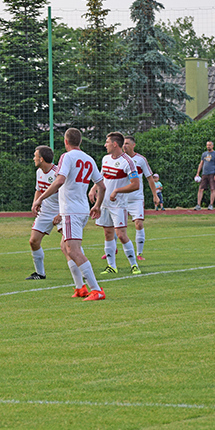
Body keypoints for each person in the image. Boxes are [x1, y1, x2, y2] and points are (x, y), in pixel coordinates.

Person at [31, 128, 105, 301]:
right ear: (79, 141)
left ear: (65, 141)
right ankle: (80, 288)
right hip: (81, 209)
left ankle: (96, 290)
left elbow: (60, 180)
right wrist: (98, 206)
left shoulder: (67, 157)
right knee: (66, 247)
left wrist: (39, 199)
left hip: (71, 210)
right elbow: (102, 186)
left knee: (73, 249)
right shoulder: (89, 159)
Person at [91, 132, 142, 275]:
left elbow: (135, 184)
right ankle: (111, 266)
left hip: (118, 204)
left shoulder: (128, 162)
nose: (105, 145)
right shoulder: (106, 159)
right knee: (108, 233)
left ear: (114, 144)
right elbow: (101, 176)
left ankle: (134, 265)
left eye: (107, 142)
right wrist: (94, 188)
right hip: (104, 203)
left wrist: (117, 191)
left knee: (121, 234)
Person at [122, 136, 159, 260]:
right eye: (123, 144)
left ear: (133, 145)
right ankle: (111, 250)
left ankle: (139, 254)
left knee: (138, 223)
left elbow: (149, 178)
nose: (124, 146)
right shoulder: (119, 159)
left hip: (136, 198)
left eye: (127, 143)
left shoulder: (141, 160)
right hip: (121, 198)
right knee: (116, 226)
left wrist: (155, 195)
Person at [26, 145, 59, 280]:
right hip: (45, 212)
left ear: (42, 159)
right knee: (33, 241)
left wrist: (61, 214)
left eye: (35, 156)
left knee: (70, 244)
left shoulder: (58, 173)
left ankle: (84, 273)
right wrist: (35, 203)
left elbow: (67, 195)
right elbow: (38, 189)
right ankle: (40, 273)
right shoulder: (39, 172)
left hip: (61, 211)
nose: (34, 158)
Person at [194, 140, 215, 210]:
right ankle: (198, 205)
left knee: (212, 189)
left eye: (210, 145)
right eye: (207, 145)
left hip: (212, 173)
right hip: (204, 174)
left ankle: (211, 205)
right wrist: (197, 173)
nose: (208, 146)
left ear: (212, 146)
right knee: (200, 189)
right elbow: (201, 163)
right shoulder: (204, 154)